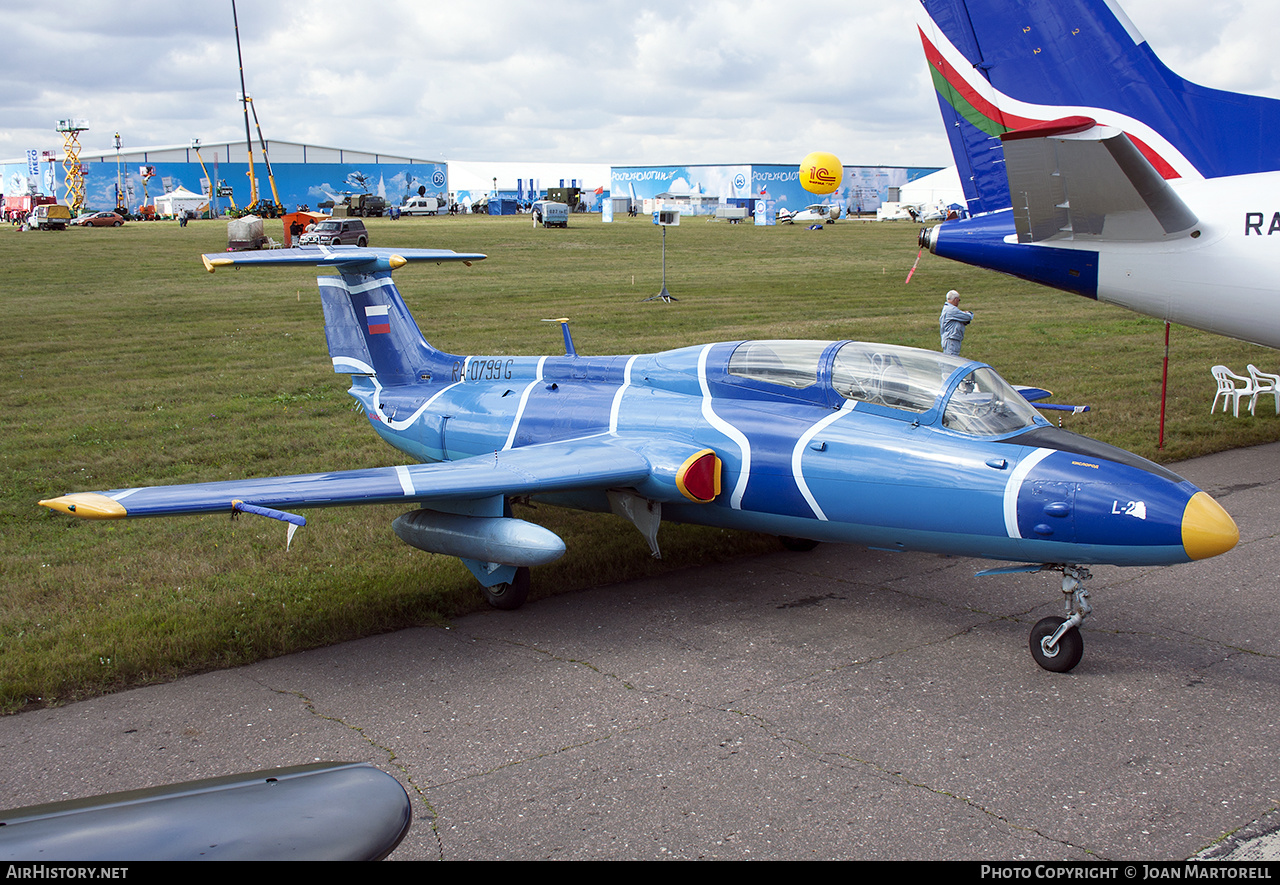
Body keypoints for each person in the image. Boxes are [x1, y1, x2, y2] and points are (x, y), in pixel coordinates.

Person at [939, 290, 974, 355]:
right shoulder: (952, 310)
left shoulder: (948, 308)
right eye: (958, 300)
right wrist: (969, 313)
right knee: (951, 360)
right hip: (951, 340)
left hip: (951, 339)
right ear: (955, 299)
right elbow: (968, 317)